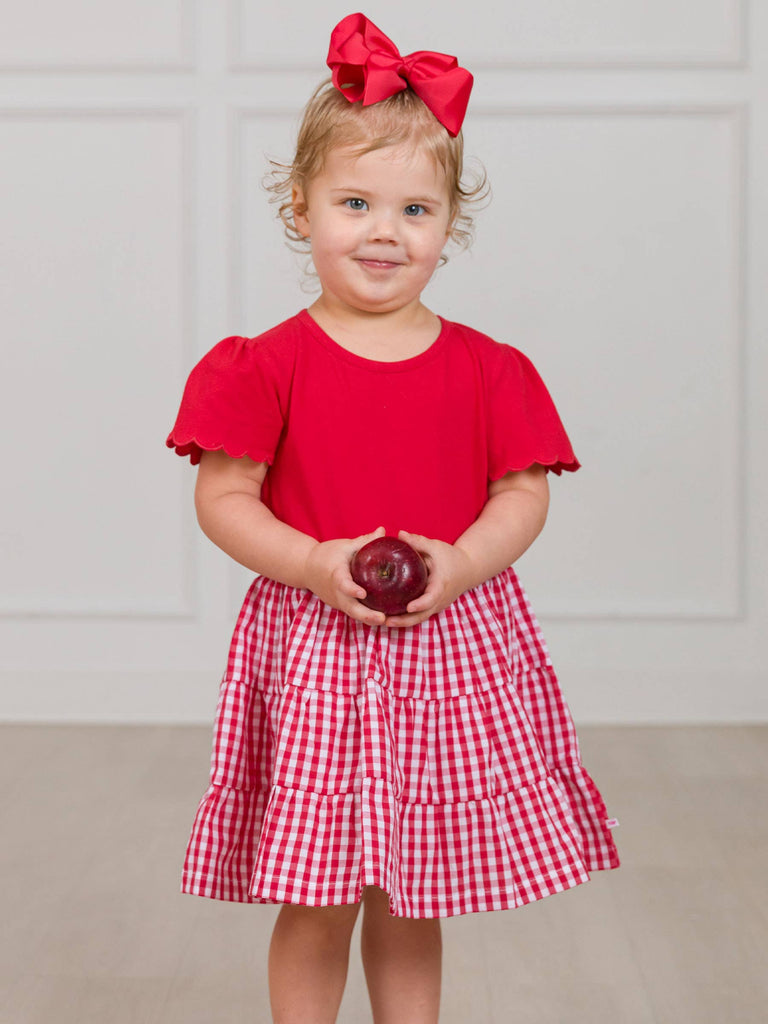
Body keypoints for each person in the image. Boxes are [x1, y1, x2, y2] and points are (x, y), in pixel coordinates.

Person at [166, 12, 620, 1024]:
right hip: (317, 646)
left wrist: (461, 563)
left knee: (414, 892)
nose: (384, 230)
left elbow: (523, 490)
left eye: (416, 209)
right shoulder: (266, 364)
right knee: (319, 893)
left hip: (450, 644)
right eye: (356, 202)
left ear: (449, 225)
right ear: (302, 205)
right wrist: (314, 560)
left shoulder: (489, 369)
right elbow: (224, 495)